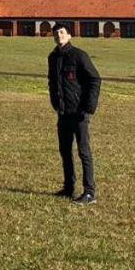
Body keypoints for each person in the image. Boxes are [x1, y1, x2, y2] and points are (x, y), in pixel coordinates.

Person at [47, 22, 101, 205]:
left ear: (69, 35)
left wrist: (88, 107)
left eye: (62, 32)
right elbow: (51, 82)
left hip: (79, 113)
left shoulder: (79, 56)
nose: (58, 36)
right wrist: (54, 102)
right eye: (55, 33)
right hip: (63, 113)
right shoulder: (53, 57)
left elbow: (94, 78)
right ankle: (68, 187)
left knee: (83, 151)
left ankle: (89, 192)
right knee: (65, 150)